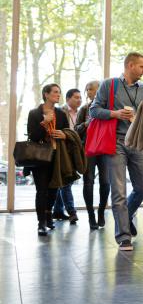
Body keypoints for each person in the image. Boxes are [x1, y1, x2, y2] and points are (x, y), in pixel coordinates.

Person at [90, 52, 143, 251]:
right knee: (119, 190)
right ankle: (124, 236)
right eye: (141, 66)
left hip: (138, 142)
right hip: (115, 142)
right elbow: (94, 110)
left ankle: (126, 216)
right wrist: (114, 114)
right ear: (130, 65)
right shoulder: (109, 85)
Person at [27, 83, 70, 236]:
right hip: (39, 158)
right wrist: (44, 122)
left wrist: (64, 135)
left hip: (57, 156)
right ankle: (41, 223)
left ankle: (48, 215)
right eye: (55, 92)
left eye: (59, 92)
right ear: (46, 94)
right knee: (41, 190)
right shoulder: (34, 113)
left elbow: (68, 133)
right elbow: (33, 136)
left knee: (54, 189)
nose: (58, 95)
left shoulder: (62, 114)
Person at [76, 80, 109, 230]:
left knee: (106, 182)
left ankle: (101, 211)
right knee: (88, 181)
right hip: (88, 149)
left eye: (91, 89)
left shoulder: (107, 107)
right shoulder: (84, 109)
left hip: (105, 148)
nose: (88, 92)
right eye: (87, 90)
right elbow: (76, 130)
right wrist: (85, 124)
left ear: (100, 90)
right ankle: (91, 215)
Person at [52, 88, 83, 224]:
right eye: (76, 97)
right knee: (66, 182)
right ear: (68, 98)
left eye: (80, 97)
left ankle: (57, 210)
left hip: (75, 150)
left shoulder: (81, 112)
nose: (79, 100)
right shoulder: (60, 112)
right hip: (63, 151)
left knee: (65, 181)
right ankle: (72, 212)